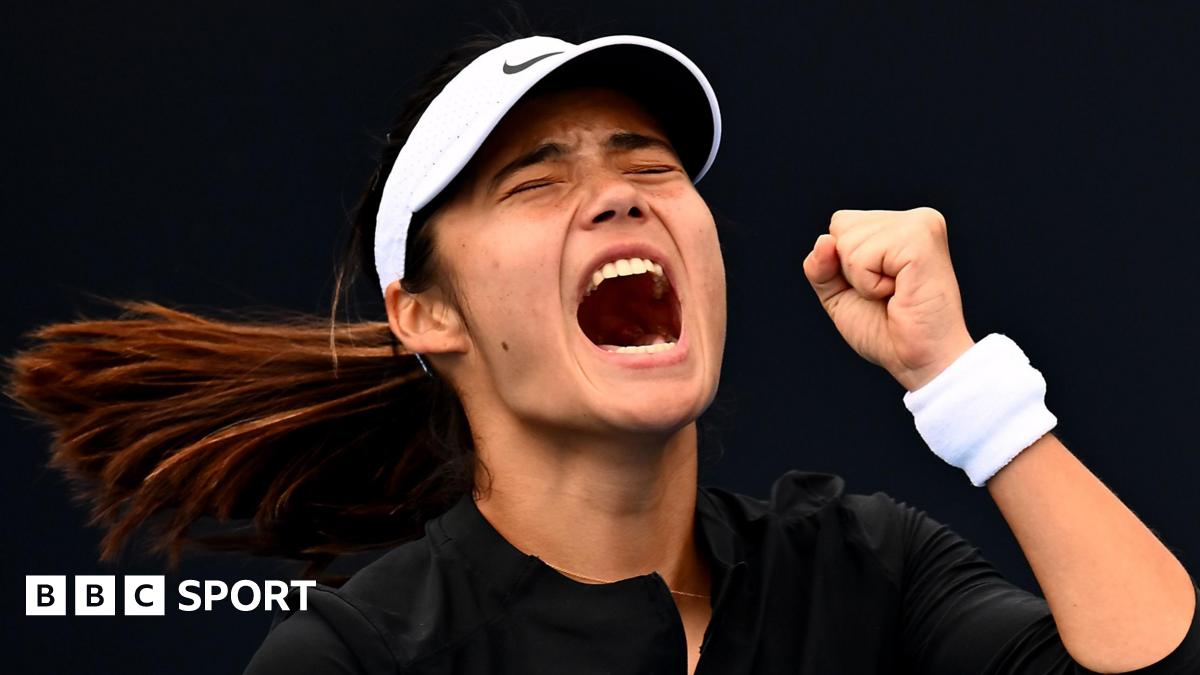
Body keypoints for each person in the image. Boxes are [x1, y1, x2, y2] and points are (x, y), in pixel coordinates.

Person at [6, 27, 1198, 675]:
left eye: (651, 167)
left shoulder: (862, 565)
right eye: (537, 181)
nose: (621, 199)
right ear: (427, 312)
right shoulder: (356, 662)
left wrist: (961, 386)